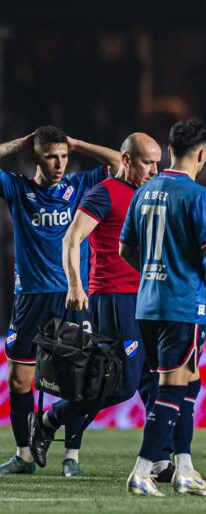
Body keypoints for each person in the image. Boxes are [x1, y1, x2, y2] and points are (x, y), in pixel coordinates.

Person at [119, 120, 206, 497]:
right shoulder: (197, 195)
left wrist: (154, 273)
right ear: (202, 154)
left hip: (147, 306)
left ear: (169, 151)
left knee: (188, 382)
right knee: (172, 388)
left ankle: (184, 469)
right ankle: (142, 471)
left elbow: (125, 249)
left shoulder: (142, 192)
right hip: (181, 306)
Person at [29, 133, 163, 477]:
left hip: (148, 296)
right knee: (121, 383)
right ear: (128, 161)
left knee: (154, 380)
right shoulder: (104, 192)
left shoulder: (147, 192)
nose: (155, 169)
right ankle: (48, 419)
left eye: (157, 162)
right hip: (114, 296)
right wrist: (75, 283)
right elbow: (72, 238)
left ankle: (160, 458)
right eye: (148, 162)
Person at [0, 126, 120, 476]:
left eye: (64, 156)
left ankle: (71, 457)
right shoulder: (18, 188)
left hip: (73, 295)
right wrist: (19, 144)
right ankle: (24, 455)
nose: (59, 163)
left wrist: (79, 142)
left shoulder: (79, 186)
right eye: (51, 155)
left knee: (82, 380)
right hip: (30, 298)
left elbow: (120, 163)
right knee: (20, 380)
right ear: (36, 156)